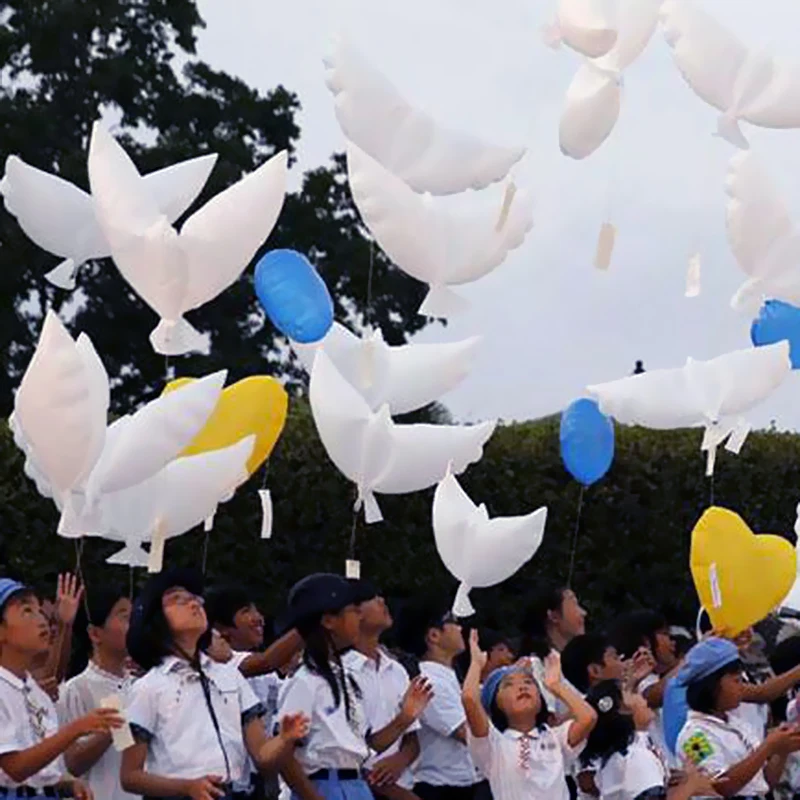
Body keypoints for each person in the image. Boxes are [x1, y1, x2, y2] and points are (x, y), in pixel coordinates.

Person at [121, 568, 308, 800]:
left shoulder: (229, 677)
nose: (193, 604)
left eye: (196, 599)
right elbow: (129, 776)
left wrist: (284, 739)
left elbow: (261, 755)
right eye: (177, 600)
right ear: (155, 619)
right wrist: (186, 787)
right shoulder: (147, 687)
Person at [277, 574, 429, 800]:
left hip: (354, 786)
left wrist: (404, 718)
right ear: (328, 621)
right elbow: (284, 755)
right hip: (324, 785)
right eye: (353, 610)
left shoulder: (345, 678)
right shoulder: (304, 681)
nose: (359, 616)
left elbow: (360, 747)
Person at [0, 576, 123, 800]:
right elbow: (15, 768)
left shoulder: (37, 694)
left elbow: (45, 768)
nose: (41, 620)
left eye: (40, 611)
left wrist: (67, 783)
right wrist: (77, 728)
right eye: (27, 611)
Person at [462, 629, 597, 799]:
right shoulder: (493, 744)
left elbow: (588, 717)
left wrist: (556, 686)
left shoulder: (556, 737)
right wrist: (476, 664)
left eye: (529, 682)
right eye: (508, 685)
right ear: (495, 703)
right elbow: (469, 699)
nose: (522, 687)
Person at [206, 585, 304, 799]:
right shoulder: (222, 663)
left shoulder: (266, 677)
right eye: (246, 612)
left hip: (255, 779)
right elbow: (268, 661)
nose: (258, 618)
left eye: (256, 610)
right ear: (220, 629)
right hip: (220, 783)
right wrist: (309, 624)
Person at [675, 637, 800, 798]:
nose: (742, 688)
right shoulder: (694, 736)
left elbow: (766, 782)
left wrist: (781, 750)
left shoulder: (738, 725)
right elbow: (719, 786)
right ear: (712, 686)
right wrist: (767, 748)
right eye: (736, 681)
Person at [341, 580, 429, 800]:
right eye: (372, 597)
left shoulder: (396, 670)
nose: (382, 601)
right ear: (354, 612)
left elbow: (412, 740)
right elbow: (345, 752)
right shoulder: (342, 672)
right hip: (356, 789)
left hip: (402, 785)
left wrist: (399, 760)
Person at [395, 601, 480, 800]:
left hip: (460, 784)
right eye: (452, 621)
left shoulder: (448, 677)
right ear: (433, 635)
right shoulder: (430, 680)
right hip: (440, 788)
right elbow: (468, 733)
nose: (460, 628)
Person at [58, 587, 137, 800]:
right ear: (95, 633)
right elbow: (70, 763)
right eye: (125, 617)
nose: (134, 625)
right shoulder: (76, 689)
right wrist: (115, 724)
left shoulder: (142, 686)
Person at [582, 680, 719, 800]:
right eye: (632, 693)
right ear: (623, 711)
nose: (641, 697)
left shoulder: (635, 749)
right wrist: (691, 786)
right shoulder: (635, 757)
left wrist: (681, 781)